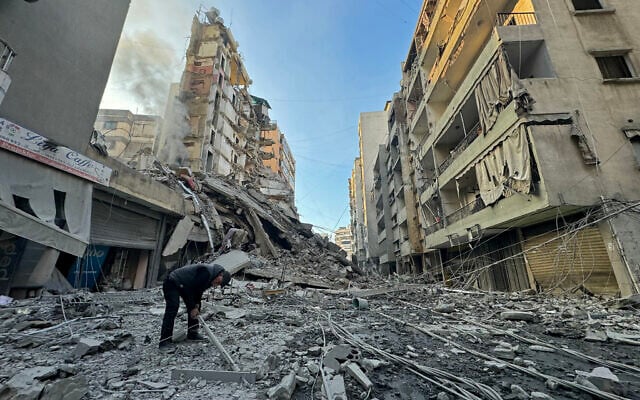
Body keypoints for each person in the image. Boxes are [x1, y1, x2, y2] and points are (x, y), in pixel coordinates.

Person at [159, 263, 231, 349]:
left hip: (184, 286)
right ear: (220, 275)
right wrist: (192, 307)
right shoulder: (205, 272)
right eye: (218, 282)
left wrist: (196, 306)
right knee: (173, 308)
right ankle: (164, 341)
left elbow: (198, 291)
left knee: (197, 307)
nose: (216, 284)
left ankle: (192, 333)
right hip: (172, 282)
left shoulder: (211, 278)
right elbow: (189, 290)